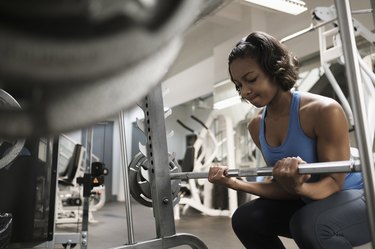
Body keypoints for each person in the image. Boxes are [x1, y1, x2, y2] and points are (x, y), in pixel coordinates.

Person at [208, 31, 370, 249]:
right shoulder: (256, 126)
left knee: (309, 225)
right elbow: (283, 186)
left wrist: (298, 188)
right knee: (246, 219)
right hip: (314, 198)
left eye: (251, 79)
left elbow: (332, 184)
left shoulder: (323, 110)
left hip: (361, 193)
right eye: (238, 85)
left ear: (274, 69)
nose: (245, 91)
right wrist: (232, 182)